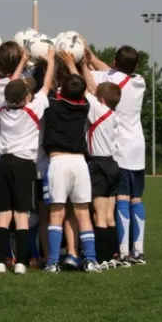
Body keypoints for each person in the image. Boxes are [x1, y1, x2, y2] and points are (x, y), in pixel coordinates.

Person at [0, 47, 55, 275]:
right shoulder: (32, 110)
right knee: (21, 215)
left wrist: (20, 64)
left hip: (4, 164)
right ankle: (20, 262)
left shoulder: (2, 109)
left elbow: (13, 85)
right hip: (24, 166)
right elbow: (46, 85)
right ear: (27, 97)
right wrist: (49, 62)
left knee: (3, 215)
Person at [42, 50, 102, 273]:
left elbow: (47, 85)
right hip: (80, 164)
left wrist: (52, 64)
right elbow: (85, 89)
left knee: (56, 214)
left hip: (58, 162)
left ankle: (53, 263)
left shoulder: (52, 105)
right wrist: (72, 66)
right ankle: (91, 261)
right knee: (83, 213)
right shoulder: (84, 106)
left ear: (62, 91)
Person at [62, 53, 123, 269]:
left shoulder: (97, 109)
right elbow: (93, 89)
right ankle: (114, 254)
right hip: (113, 165)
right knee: (109, 216)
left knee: (97, 215)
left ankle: (102, 257)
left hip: (97, 164)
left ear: (102, 101)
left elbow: (84, 90)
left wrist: (72, 66)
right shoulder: (114, 114)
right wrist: (85, 66)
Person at [88, 45, 147, 265]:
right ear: (137, 66)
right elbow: (111, 71)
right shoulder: (139, 81)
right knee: (137, 199)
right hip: (138, 149)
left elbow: (96, 78)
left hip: (119, 149)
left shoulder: (109, 79)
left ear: (114, 62)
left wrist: (86, 60)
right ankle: (138, 250)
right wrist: (93, 58)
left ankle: (122, 251)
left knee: (121, 199)